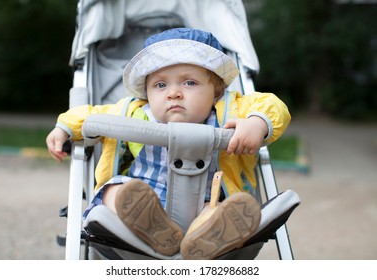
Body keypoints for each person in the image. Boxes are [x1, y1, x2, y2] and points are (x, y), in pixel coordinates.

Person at [46, 28, 291, 260]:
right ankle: (151, 226)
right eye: (160, 85)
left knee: (219, 209)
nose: (173, 93)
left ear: (216, 91)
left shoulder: (231, 110)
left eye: (189, 83)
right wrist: (64, 127)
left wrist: (257, 123)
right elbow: (89, 115)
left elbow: (273, 106)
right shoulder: (133, 111)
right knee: (115, 190)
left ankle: (204, 237)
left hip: (206, 200)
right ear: (147, 93)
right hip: (144, 197)